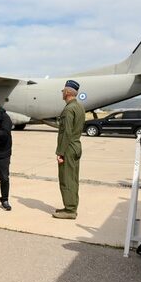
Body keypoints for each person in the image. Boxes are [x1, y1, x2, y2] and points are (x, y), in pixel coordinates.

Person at [53, 80, 85, 219]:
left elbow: (66, 132)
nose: (62, 93)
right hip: (76, 145)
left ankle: (70, 210)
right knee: (73, 178)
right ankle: (70, 206)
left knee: (66, 179)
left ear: (67, 92)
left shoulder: (68, 109)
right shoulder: (79, 107)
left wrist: (60, 152)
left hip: (68, 148)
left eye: (62, 91)